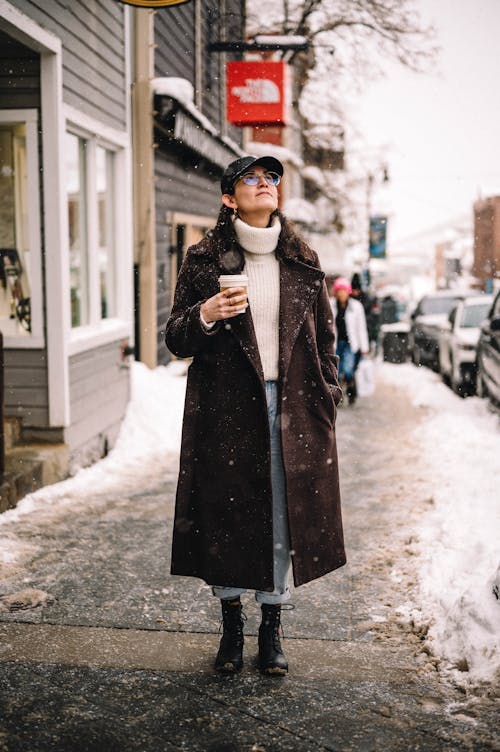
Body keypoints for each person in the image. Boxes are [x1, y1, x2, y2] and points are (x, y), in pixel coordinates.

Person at [165, 155, 346, 677]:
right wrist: (205, 315)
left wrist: (327, 393)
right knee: (227, 515)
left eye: (272, 178)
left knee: (283, 517)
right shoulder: (204, 260)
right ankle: (230, 626)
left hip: (293, 408)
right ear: (229, 198)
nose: (265, 184)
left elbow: (326, 340)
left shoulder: (302, 259)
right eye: (252, 178)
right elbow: (176, 338)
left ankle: (271, 627)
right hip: (225, 410)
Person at [330, 277, 369, 405]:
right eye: (339, 291)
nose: (342, 293)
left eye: (344, 290)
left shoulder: (356, 307)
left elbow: (361, 328)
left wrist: (364, 348)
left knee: (348, 370)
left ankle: (351, 392)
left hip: (350, 344)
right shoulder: (331, 305)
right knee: (337, 371)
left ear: (348, 292)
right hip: (335, 343)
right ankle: (339, 396)